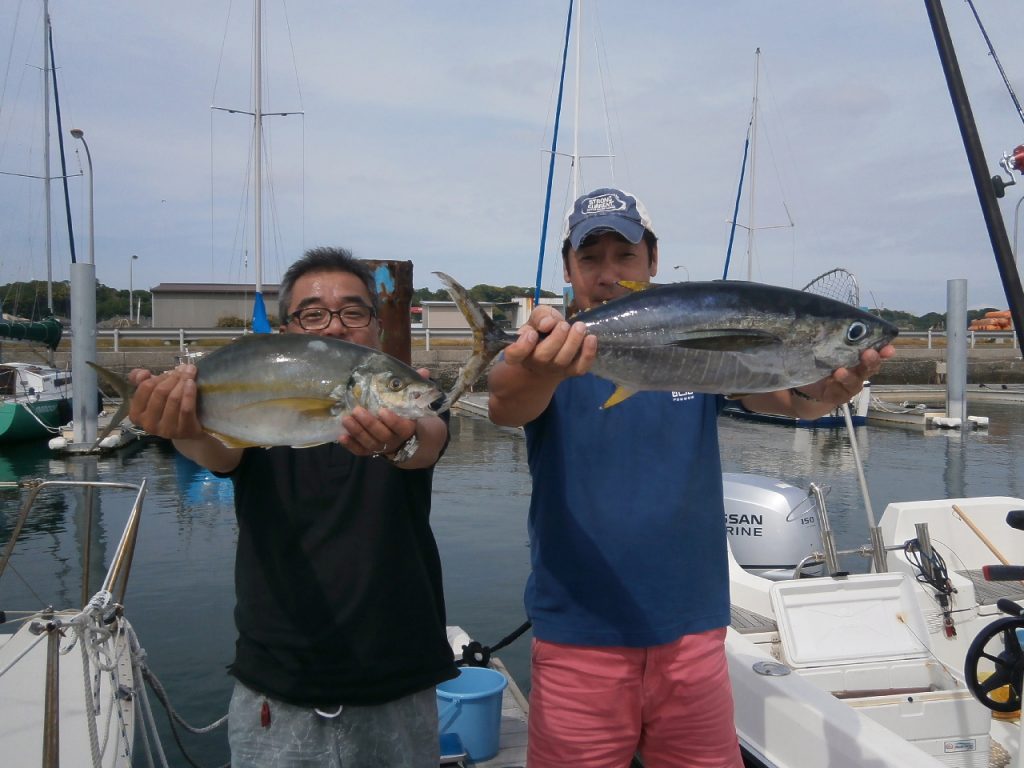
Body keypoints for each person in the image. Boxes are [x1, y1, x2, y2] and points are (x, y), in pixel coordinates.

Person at [487, 187, 896, 768]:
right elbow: (506, 401)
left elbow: (788, 398)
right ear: (568, 269)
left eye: (624, 256)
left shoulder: (700, 351)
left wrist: (823, 391)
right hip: (580, 637)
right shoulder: (546, 359)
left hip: (694, 637)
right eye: (590, 258)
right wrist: (530, 363)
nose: (607, 273)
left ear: (653, 262)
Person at [128, 247, 456, 768]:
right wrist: (183, 428)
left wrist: (400, 441)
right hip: (277, 689)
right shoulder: (259, 414)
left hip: (398, 679)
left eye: (353, 312)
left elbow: (430, 437)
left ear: (375, 326)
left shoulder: (404, 399)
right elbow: (218, 450)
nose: (335, 326)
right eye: (313, 313)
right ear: (288, 330)